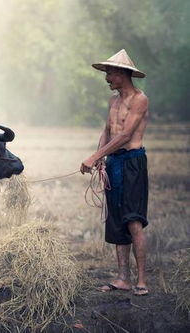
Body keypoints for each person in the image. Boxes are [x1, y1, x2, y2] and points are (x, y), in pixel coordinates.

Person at [80, 49, 150, 296]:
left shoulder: (139, 99)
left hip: (132, 162)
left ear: (123, 73)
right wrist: (101, 156)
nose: (107, 77)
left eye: (110, 72)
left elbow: (125, 135)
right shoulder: (113, 101)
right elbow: (108, 132)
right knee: (116, 219)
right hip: (114, 163)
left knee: (133, 219)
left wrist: (95, 157)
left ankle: (141, 280)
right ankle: (123, 278)